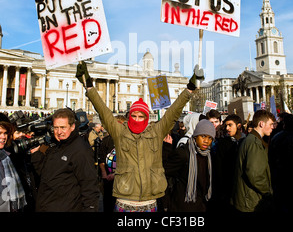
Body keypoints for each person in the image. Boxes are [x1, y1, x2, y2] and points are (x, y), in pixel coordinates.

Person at [76, 61, 203, 212]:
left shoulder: (156, 131)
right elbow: (103, 111)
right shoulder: (120, 131)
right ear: (129, 116)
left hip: (150, 200)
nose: (136, 119)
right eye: (133, 115)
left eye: (140, 116)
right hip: (124, 198)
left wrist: (189, 89)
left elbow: (174, 112)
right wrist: (88, 86)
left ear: (147, 117)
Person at [31, 108, 99, 212]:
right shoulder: (56, 145)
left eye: (63, 127)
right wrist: (36, 155)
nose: (59, 132)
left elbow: (89, 186)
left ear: (72, 127)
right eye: (56, 127)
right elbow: (46, 175)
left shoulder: (80, 150)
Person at [164, 119, 215, 212]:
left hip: (200, 206)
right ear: (196, 136)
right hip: (181, 206)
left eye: (210, 138)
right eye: (203, 136)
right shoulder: (183, 153)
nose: (206, 141)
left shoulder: (208, 155)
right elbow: (165, 173)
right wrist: (166, 203)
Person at [232, 109, 275, 213]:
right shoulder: (254, 143)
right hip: (251, 200)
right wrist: (268, 192)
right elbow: (254, 175)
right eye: (271, 124)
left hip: (248, 197)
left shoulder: (251, 139)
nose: (273, 127)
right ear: (261, 124)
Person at [211, 114, 245, 212]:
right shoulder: (223, 144)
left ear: (238, 126)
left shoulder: (246, 142)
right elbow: (219, 168)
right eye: (226, 125)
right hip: (227, 189)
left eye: (230, 125)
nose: (227, 128)